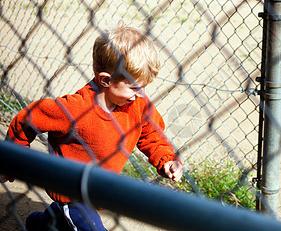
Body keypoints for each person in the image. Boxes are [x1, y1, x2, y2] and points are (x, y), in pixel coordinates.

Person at [1, 21, 183, 231]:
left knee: (64, 218)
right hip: (71, 190)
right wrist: (13, 157)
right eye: (134, 87)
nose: (140, 94)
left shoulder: (137, 104)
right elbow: (29, 118)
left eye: (143, 88)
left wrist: (167, 159)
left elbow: (152, 134)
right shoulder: (75, 109)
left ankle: (42, 223)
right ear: (106, 80)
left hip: (98, 188)